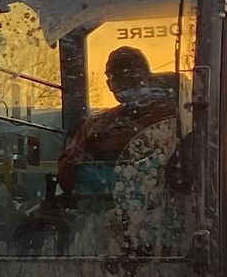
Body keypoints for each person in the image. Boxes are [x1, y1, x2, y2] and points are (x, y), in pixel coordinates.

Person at [55, 45, 180, 202]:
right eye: (118, 80)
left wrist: (139, 134)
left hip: (161, 207)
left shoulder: (172, 116)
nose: (126, 85)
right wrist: (87, 144)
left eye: (132, 77)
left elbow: (182, 167)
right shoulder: (98, 124)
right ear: (109, 85)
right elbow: (66, 177)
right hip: (106, 208)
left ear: (148, 78)